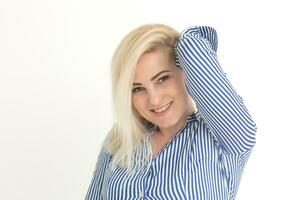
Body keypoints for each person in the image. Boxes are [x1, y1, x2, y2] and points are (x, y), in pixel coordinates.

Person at [85, 24, 257, 200]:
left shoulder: (227, 138)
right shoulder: (120, 139)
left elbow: (194, 46)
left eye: (162, 78)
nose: (154, 99)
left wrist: (177, 45)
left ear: (185, 70)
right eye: (137, 89)